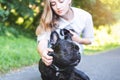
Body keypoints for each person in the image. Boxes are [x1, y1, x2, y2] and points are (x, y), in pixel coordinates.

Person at [36, 0, 94, 66]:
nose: (58, 7)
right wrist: (43, 52)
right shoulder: (49, 18)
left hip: (73, 55)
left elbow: (89, 40)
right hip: (55, 57)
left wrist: (79, 40)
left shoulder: (85, 16)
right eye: (53, 4)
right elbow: (42, 41)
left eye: (61, 1)